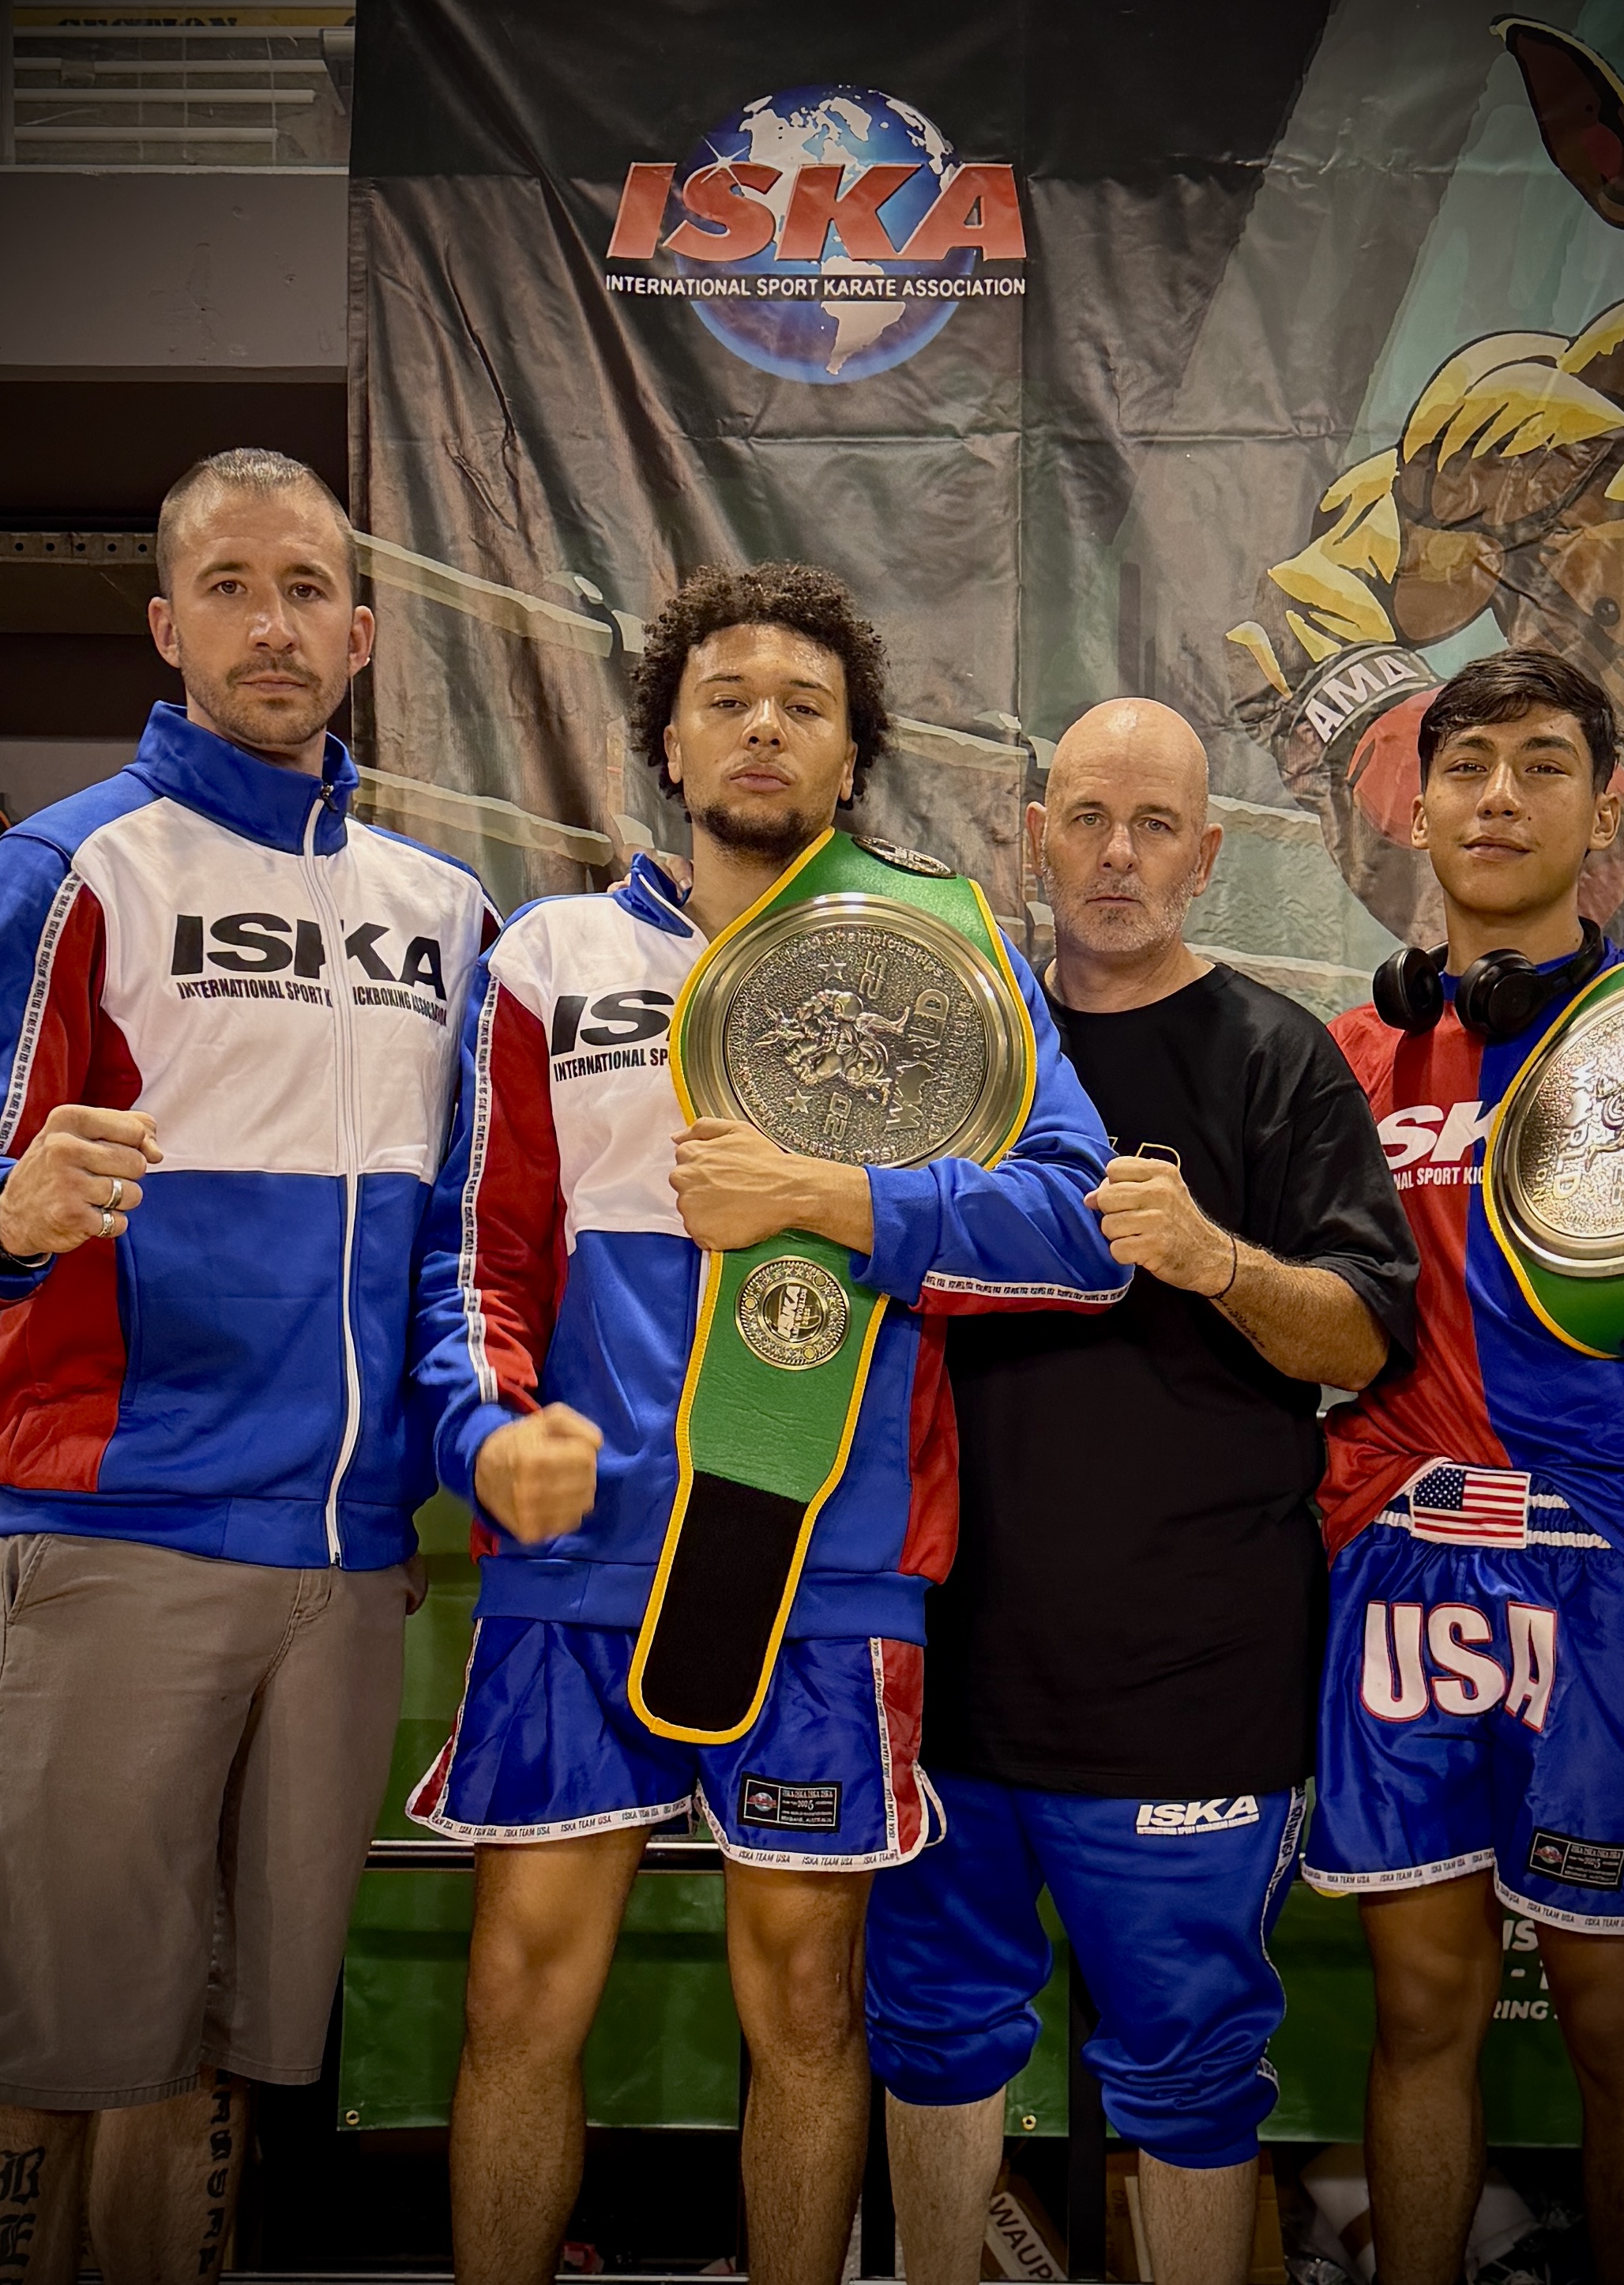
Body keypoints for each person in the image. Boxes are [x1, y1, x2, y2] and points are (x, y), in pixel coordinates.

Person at [407, 563, 1126, 2285]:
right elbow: (475, 1255)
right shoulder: (550, 956)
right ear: (664, 739)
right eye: (724, 699)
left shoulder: (942, 956)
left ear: (850, 754)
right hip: (584, 1555)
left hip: (824, 1555)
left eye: (804, 706)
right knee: (517, 1993)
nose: (761, 729)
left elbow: (1080, 1232)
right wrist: (482, 1435)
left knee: (806, 2005)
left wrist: (836, 1196)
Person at [0, 449, 493, 2283]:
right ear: (164, 625)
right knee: (58, 2045)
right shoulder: (68, 869)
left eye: (304, 589)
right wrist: (7, 1217)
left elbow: (458, 1244)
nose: (270, 624)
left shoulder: (445, 912)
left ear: (359, 634)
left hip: (348, 1567)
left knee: (227, 2050)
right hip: (118, 1523)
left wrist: (451, 1456)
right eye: (228, 586)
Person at [864, 698, 1418, 2285]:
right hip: (945, 1656)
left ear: (1206, 854)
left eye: (1154, 825)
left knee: (1187, 2069)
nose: (1117, 855)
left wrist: (1214, 1260)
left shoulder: (1272, 1056)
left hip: (1188, 1677)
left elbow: (1362, 1333)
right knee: (932, 2038)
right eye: (1089, 820)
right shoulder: (950, 1046)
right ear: (1032, 836)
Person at [1306, 647, 1624, 2285]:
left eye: (1541, 764)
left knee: (1617, 2007)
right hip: (1397, 1549)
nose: (1497, 798)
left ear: (1602, 806)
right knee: (1419, 2006)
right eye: (1464, 766)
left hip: (1607, 1559)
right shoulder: (1346, 1052)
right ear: (1414, 807)